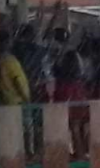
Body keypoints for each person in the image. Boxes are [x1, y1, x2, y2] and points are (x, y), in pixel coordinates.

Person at [12, 24, 49, 160]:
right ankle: (38, 150)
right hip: (36, 87)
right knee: (37, 121)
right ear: (30, 35)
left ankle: (28, 152)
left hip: (21, 89)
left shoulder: (16, 49)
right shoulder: (35, 49)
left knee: (25, 122)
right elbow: (46, 46)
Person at [52, 29, 89, 160]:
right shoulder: (74, 54)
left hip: (67, 95)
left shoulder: (61, 54)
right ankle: (81, 154)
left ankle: (78, 155)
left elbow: (56, 72)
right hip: (78, 94)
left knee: (72, 127)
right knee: (78, 127)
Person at [0, 30, 31, 106]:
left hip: (4, 102)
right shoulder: (11, 61)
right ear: (7, 43)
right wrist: (26, 98)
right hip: (16, 101)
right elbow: (19, 81)